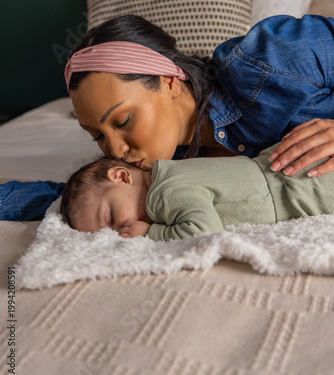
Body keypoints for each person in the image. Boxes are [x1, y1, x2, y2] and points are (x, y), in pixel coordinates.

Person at [2, 13, 334, 221]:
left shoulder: (266, 61)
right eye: (97, 136)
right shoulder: (157, 169)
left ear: (170, 82)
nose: (115, 150)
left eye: (123, 121)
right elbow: (77, 198)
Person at [60, 144, 334, 240]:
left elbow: (205, 230)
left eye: (110, 216)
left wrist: (150, 233)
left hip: (300, 188)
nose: (119, 229)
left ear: (121, 176)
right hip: (283, 171)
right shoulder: (171, 172)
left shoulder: (165, 192)